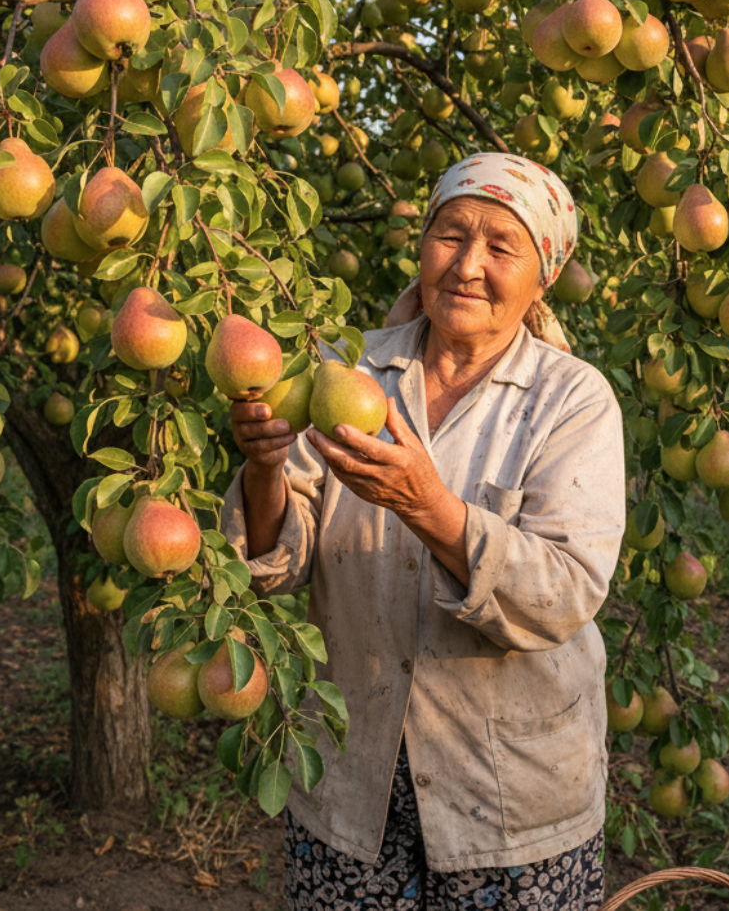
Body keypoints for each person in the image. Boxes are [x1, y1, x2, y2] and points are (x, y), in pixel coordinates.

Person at [221, 152, 626, 911]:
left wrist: (429, 506)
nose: (468, 265)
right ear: (422, 244)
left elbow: (565, 593)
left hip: (511, 802)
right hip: (352, 783)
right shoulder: (345, 371)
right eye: (451, 235)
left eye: (501, 246)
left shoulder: (573, 401)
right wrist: (265, 468)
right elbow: (275, 565)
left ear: (543, 276)